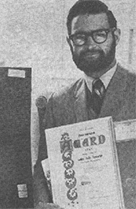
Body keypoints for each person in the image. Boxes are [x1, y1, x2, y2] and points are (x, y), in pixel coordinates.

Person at [33, 0, 136, 208]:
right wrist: (43, 203)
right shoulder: (58, 102)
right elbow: (42, 171)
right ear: (69, 42)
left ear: (115, 36)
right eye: (80, 37)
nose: (90, 45)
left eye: (100, 34)